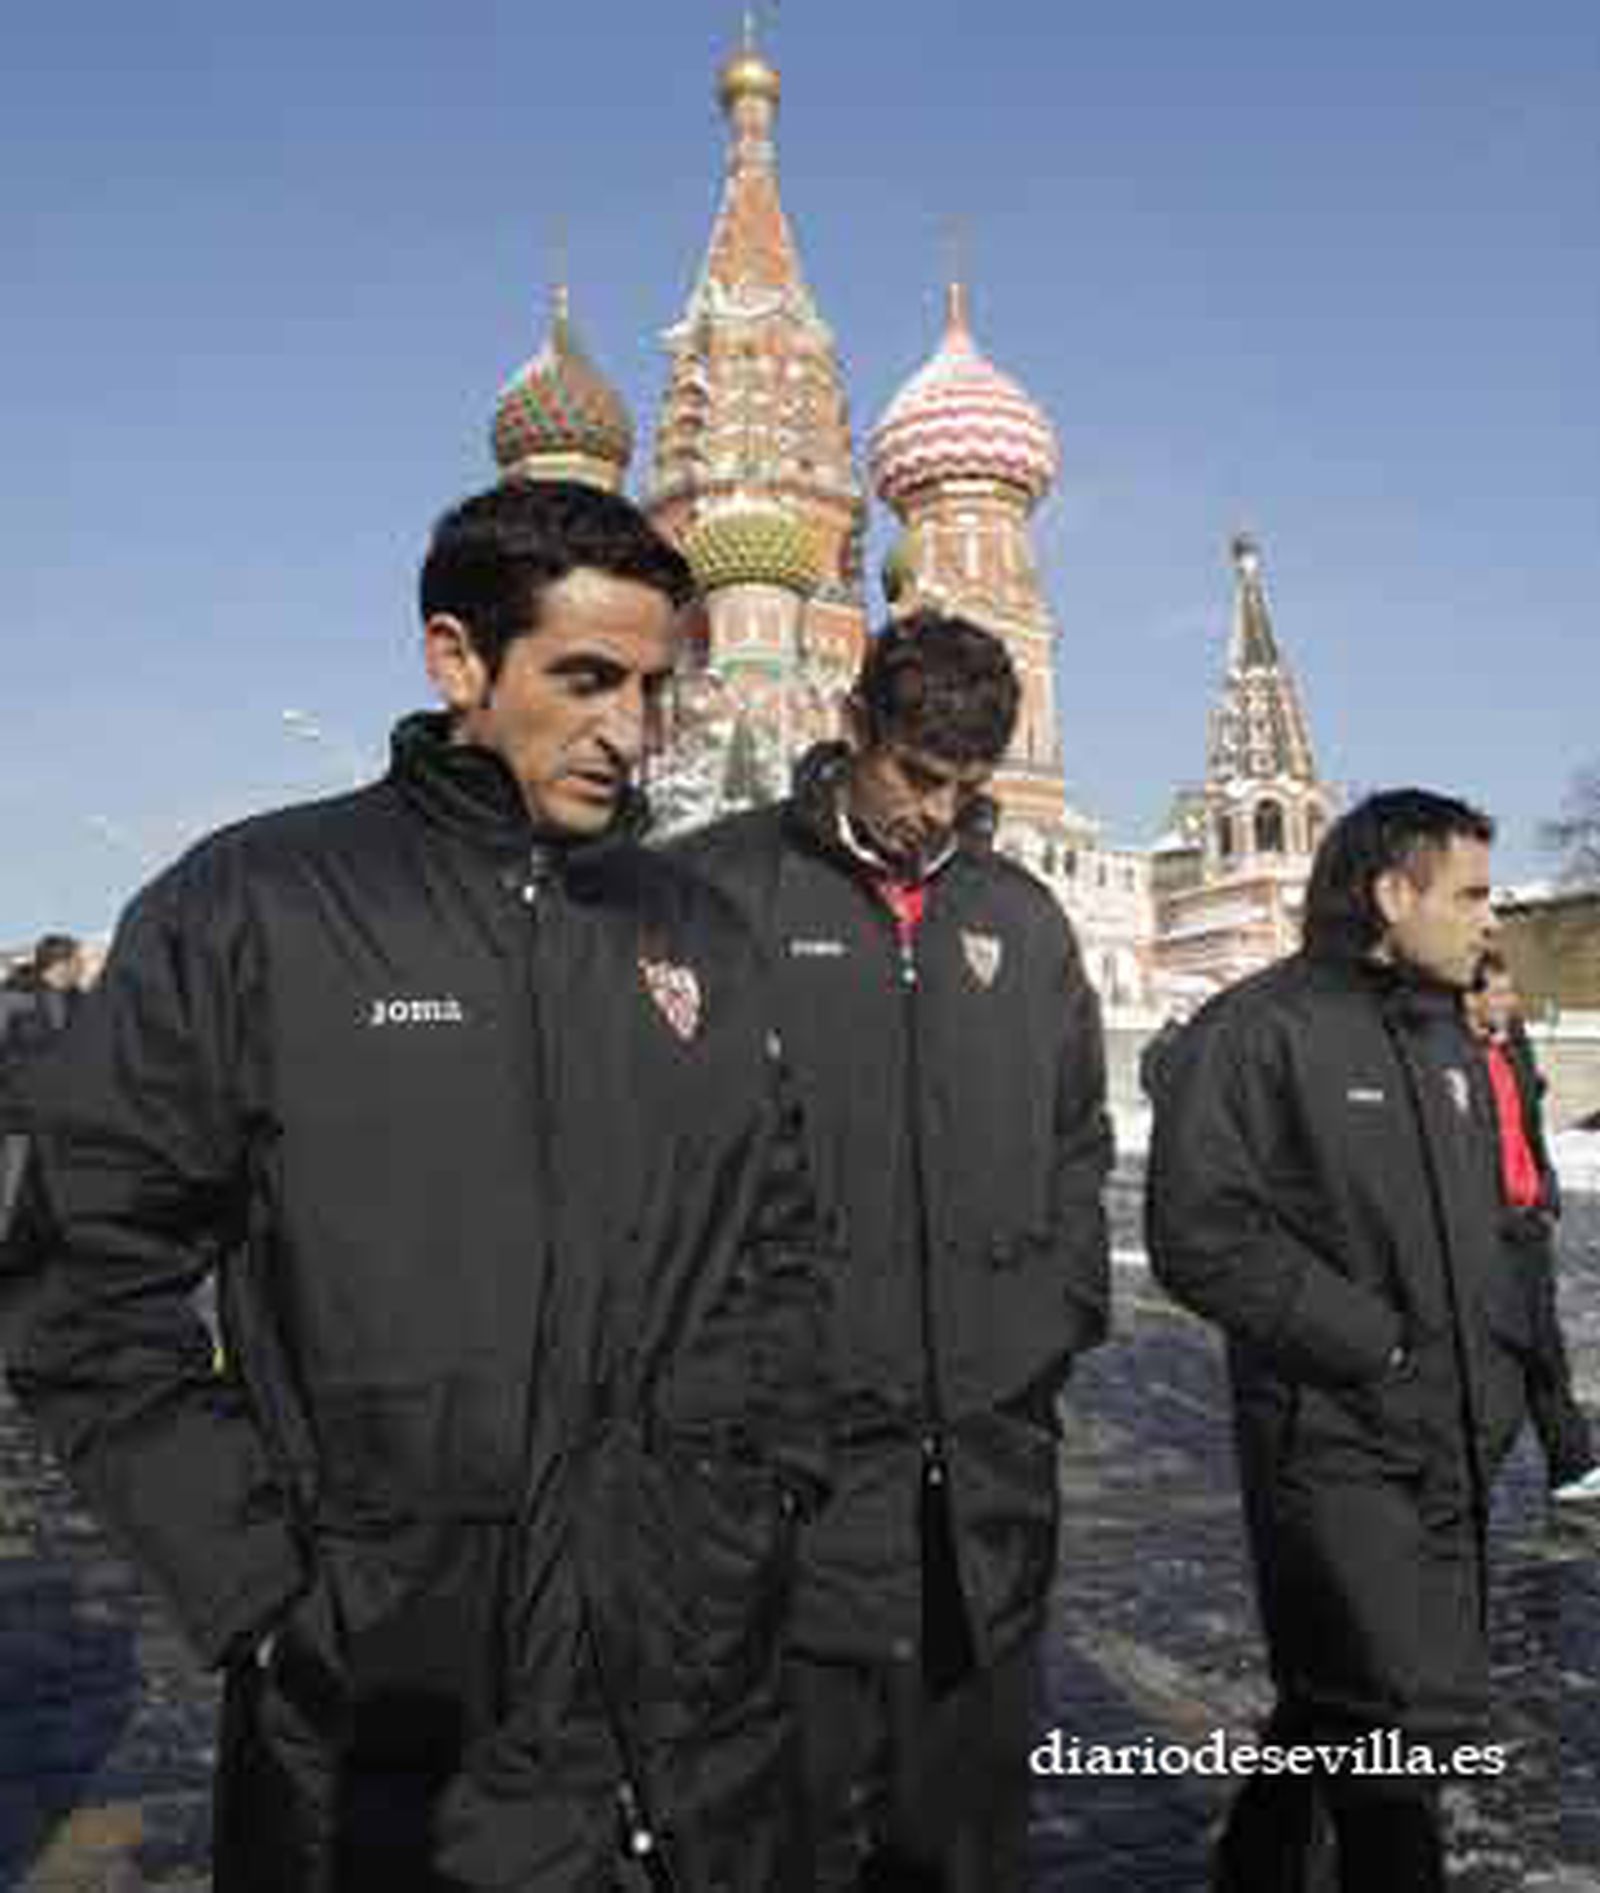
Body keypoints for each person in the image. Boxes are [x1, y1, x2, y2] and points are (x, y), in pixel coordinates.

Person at [7, 479, 833, 1893]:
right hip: (394, 1690)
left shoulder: (694, 927)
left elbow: (778, 1238)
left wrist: (769, 1492)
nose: (630, 730)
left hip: (692, 1662)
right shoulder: (257, 906)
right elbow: (85, 1271)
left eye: (653, 687)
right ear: (458, 658)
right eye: (586, 679)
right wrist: (260, 1587)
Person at [680, 612, 1113, 1891]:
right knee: (791, 1834)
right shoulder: (719, 893)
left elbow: (1075, 1140)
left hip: (984, 1476)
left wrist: (1049, 1322)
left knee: (966, 1836)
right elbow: (653, 1164)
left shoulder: (1019, 920)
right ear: (852, 725)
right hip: (796, 1480)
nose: (937, 814)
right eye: (916, 775)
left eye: (965, 787)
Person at [1147, 788, 1524, 1893]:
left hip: (1448, 1441)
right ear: (1393, 893)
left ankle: (1254, 1864)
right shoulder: (1256, 1030)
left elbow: (1478, 1225)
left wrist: (1497, 1371)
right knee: (1388, 1744)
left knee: (1345, 1703)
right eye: (1470, 894)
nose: (1489, 918)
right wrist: (1375, 1345)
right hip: (1334, 1440)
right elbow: (1198, 1232)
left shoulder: (1444, 1034)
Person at [1465, 950, 1600, 1504]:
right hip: (1482, 1226)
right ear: (1470, 998)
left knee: (1545, 1347)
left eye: (1510, 991)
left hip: (1526, 1219)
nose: (1509, 1002)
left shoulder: (1512, 1044)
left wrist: (1544, 1187)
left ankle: (1572, 1463)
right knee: (1495, 1359)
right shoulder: (1449, 1056)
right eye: (1498, 992)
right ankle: (1463, 1482)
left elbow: (1528, 1120)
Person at [1, 934, 85, 1258]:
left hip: (62, 1119)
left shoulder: (82, 1003)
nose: (82, 967)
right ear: (60, 964)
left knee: (58, 1196)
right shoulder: (14, 998)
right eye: (77, 961)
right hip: (16, 1117)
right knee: (9, 1195)